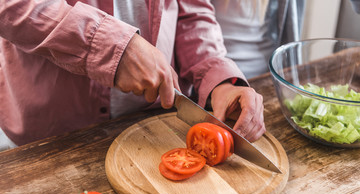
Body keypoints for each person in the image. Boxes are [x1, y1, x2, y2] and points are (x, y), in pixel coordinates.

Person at [0, 0, 265, 150]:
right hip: (53, 137)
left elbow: (191, 11)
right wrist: (112, 46)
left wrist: (219, 77)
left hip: (156, 128)